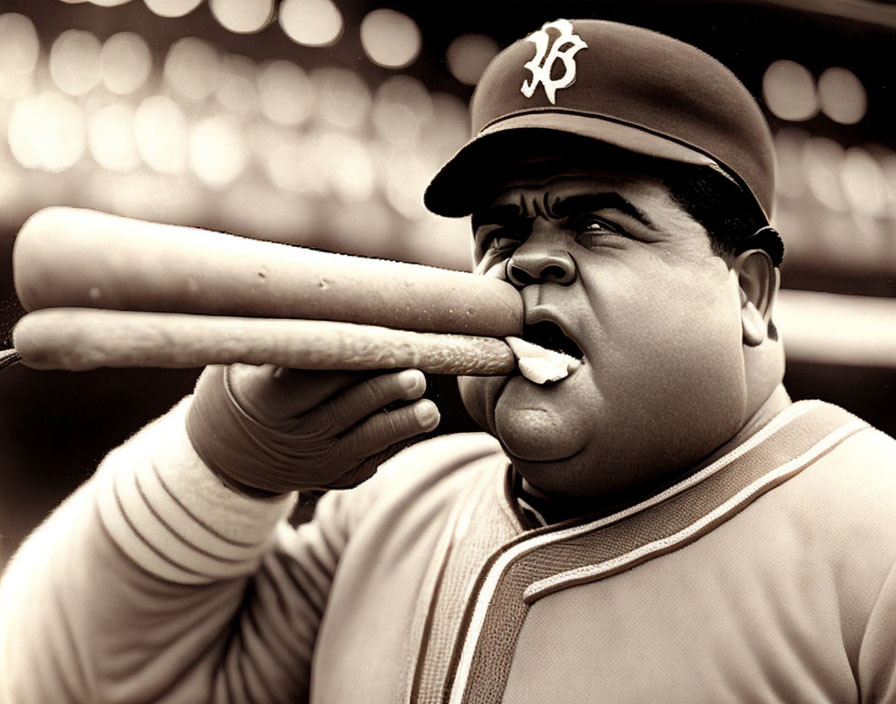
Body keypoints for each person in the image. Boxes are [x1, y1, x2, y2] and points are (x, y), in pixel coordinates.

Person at [2, 17, 896, 704]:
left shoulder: (879, 532)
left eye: (596, 223)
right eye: (501, 231)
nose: (528, 261)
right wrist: (218, 472)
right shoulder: (392, 505)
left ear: (748, 293)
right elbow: (51, 676)